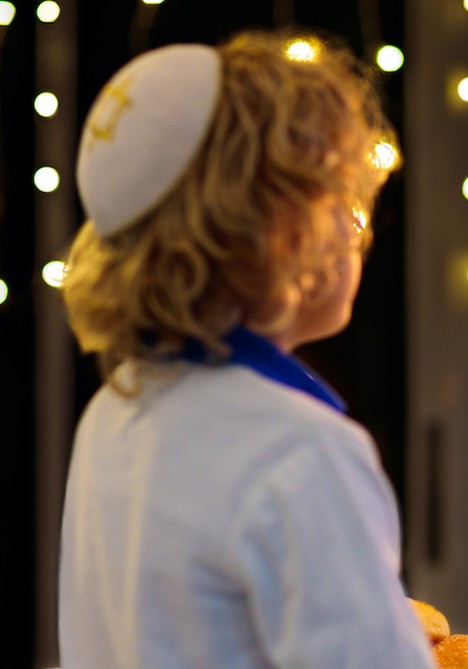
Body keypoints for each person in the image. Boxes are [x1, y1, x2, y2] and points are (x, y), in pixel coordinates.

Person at [58, 30, 436, 668]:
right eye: (345, 203)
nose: (359, 231)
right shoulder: (301, 450)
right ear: (282, 231)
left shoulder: (113, 412)